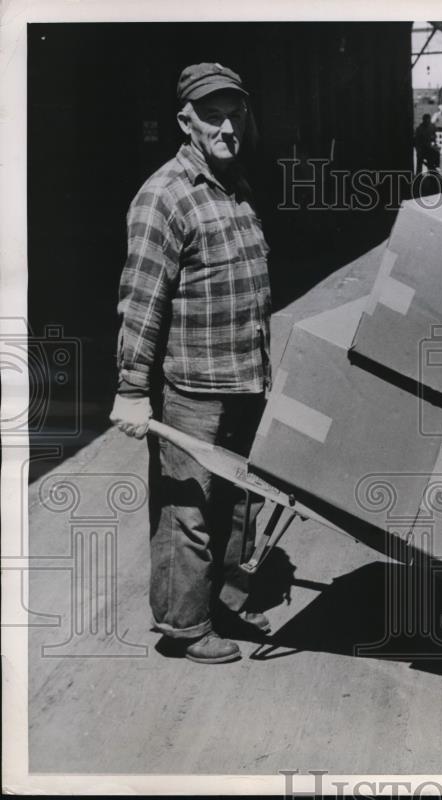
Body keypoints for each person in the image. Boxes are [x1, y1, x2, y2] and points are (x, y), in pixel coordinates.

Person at [110, 62, 272, 664]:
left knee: (239, 503)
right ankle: (184, 626)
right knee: (189, 510)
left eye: (236, 111)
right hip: (194, 390)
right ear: (186, 121)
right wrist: (131, 387)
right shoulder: (165, 196)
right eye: (213, 114)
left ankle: (222, 602)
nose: (228, 125)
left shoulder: (234, 186)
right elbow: (141, 300)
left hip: (246, 380)